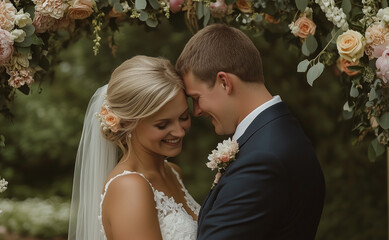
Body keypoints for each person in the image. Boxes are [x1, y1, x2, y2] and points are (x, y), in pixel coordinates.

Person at [175, 24, 325, 240]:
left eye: (197, 98)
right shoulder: (279, 134)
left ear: (224, 82)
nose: (196, 111)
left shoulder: (263, 160)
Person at [68, 55, 200, 240]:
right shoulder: (129, 187)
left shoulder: (173, 172)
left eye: (184, 117)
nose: (179, 132)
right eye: (162, 125)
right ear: (129, 123)